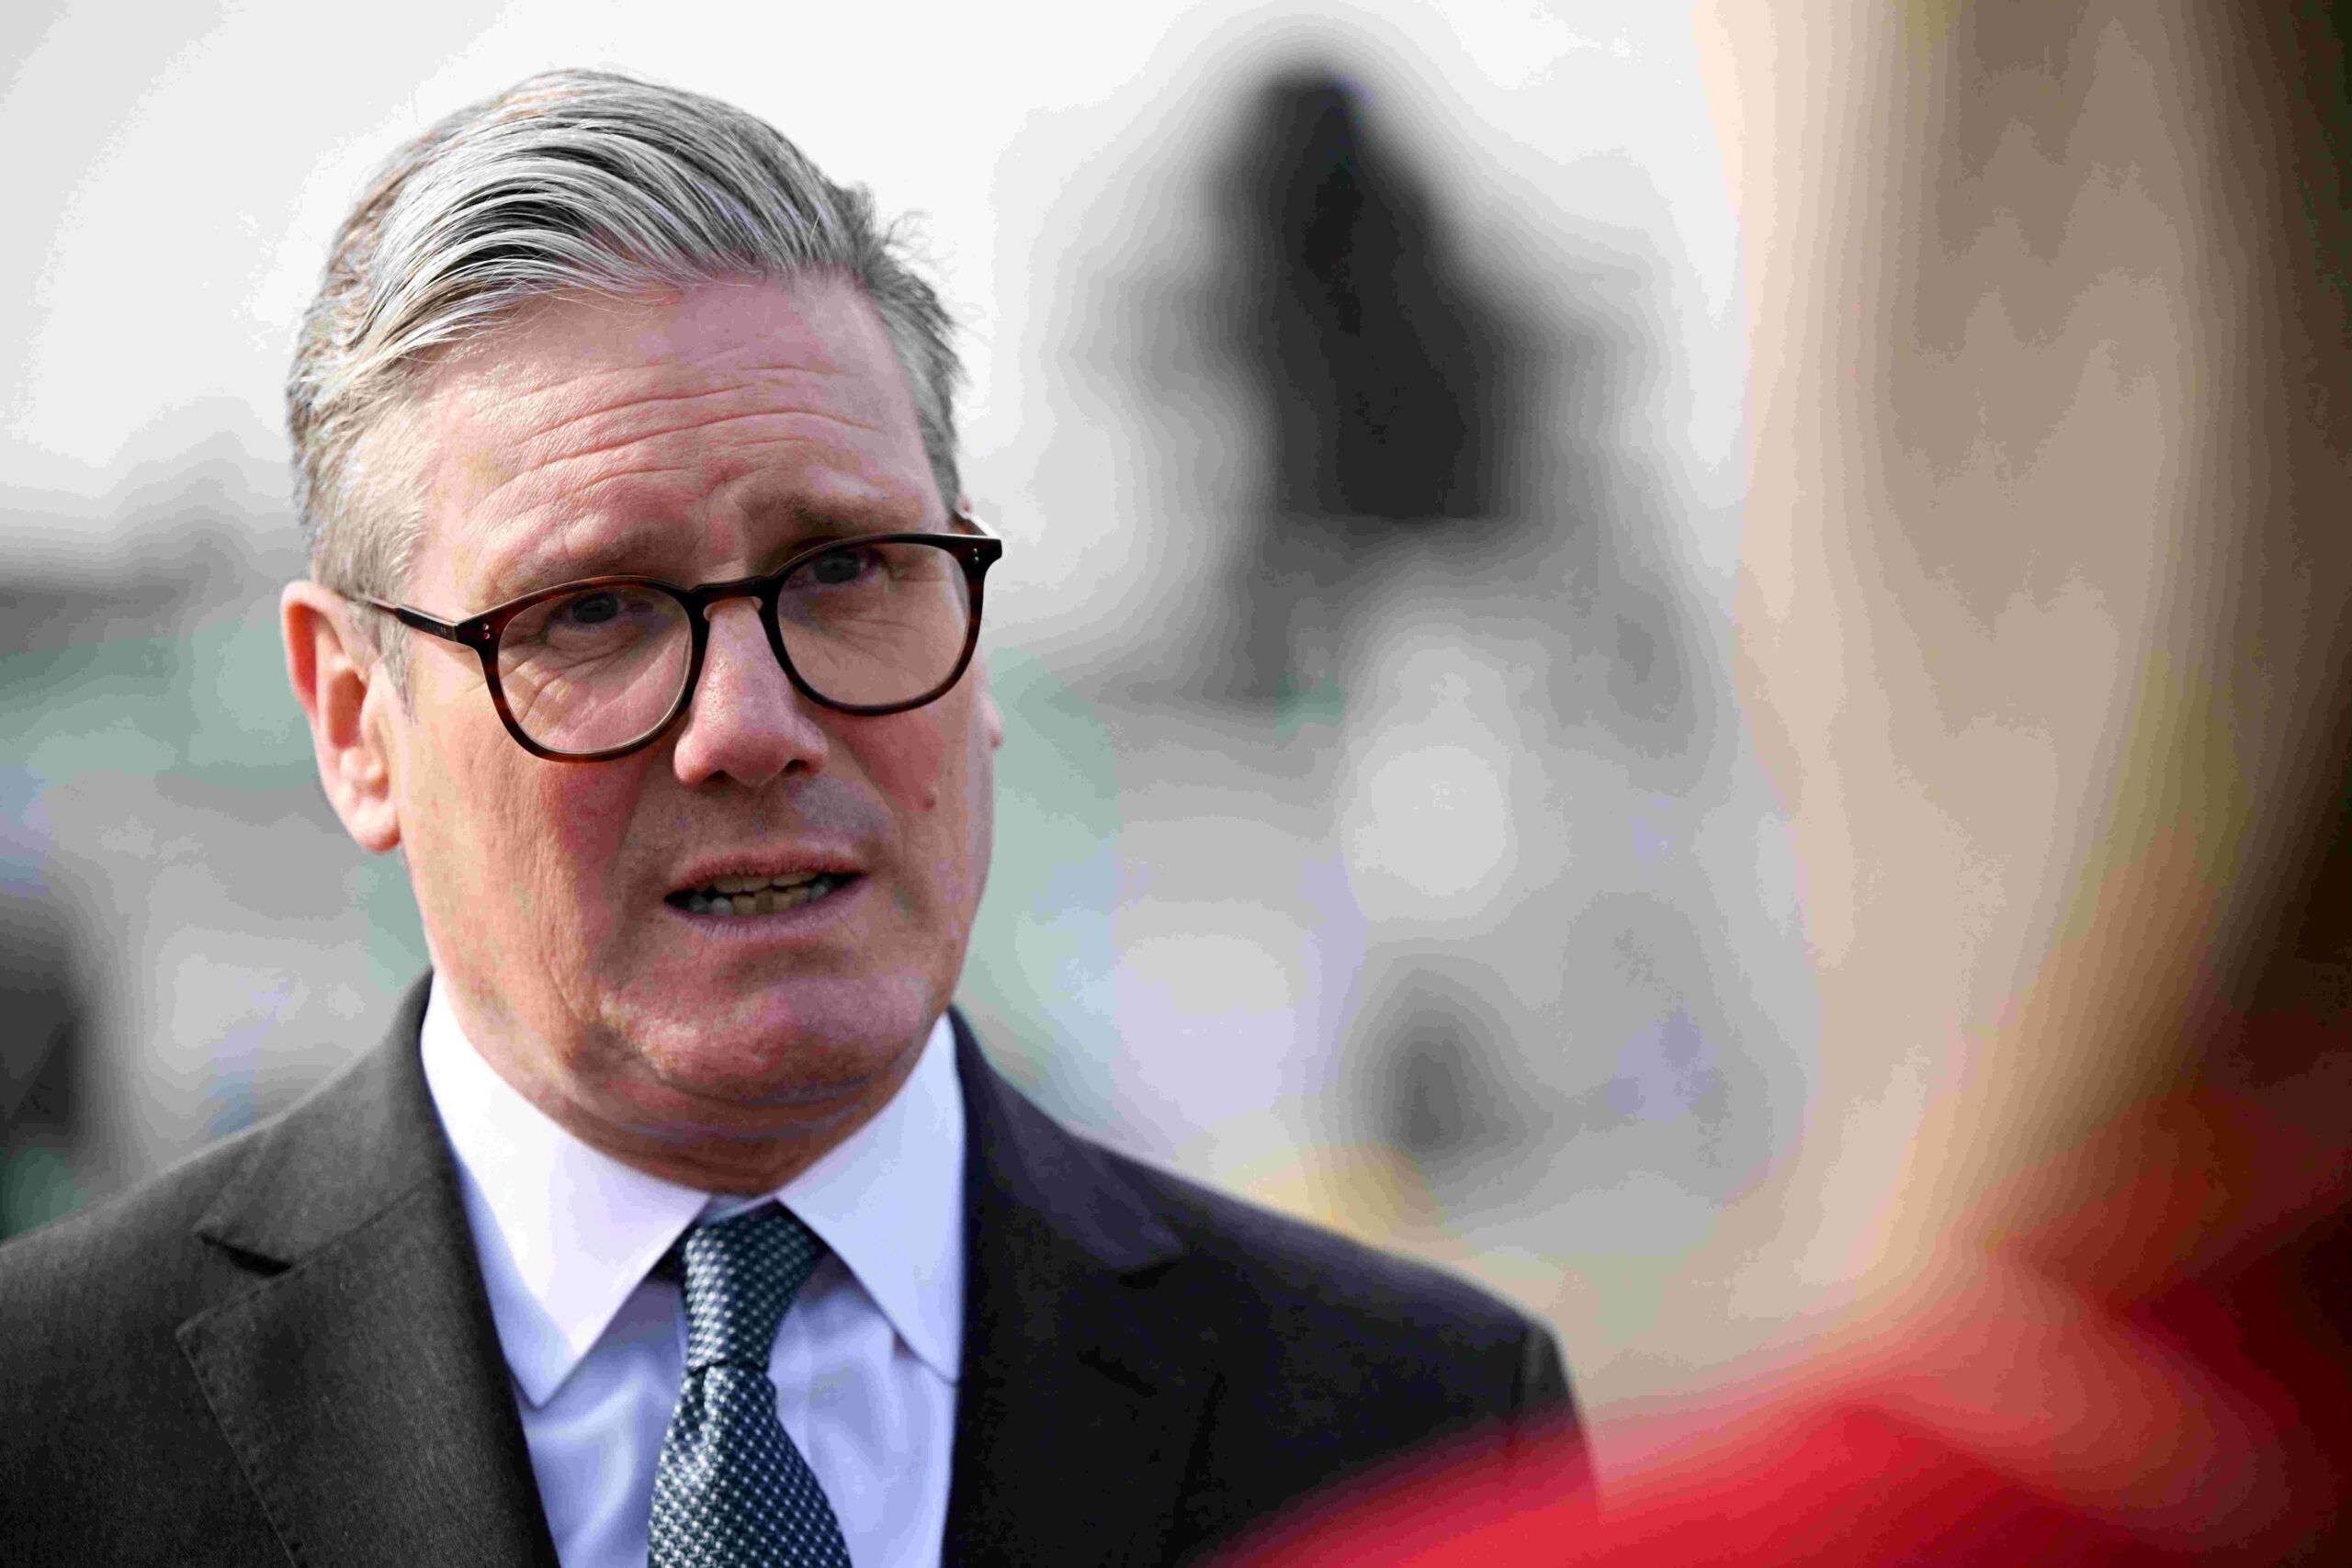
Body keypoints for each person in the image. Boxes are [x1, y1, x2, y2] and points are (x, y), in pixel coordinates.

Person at [0, 71, 1573, 1567]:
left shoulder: (1418, 1437)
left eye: (845, 572)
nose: (750, 724)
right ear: (356, 721)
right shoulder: (48, 1429)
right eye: (593, 610)